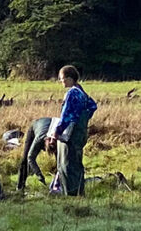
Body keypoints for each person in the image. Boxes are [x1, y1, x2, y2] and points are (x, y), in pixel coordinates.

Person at [46, 65, 97, 197]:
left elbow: (66, 116)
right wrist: (84, 119)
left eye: (62, 78)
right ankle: (80, 191)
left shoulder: (72, 93)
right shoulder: (81, 92)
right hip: (81, 133)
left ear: (69, 79)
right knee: (77, 163)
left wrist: (56, 133)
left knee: (66, 163)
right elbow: (93, 106)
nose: (60, 81)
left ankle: (70, 193)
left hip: (70, 135)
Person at [16, 117, 54, 190]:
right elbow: (30, 157)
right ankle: (20, 187)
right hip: (35, 126)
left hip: (49, 126)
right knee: (25, 159)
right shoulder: (39, 139)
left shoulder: (58, 139)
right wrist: (39, 175)